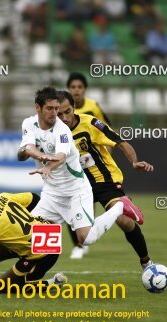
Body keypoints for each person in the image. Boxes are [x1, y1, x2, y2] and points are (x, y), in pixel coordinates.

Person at [17, 86, 143, 250]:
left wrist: (134, 161)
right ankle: (34, 273)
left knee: (93, 235)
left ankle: (121, 210)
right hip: (53, 192)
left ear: (74, 108)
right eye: (53, 109)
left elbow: (61, 157)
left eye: (61, 110)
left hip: (83, 186)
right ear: (38, 108)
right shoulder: (29, 123)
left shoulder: (65, 129)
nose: (58, 115)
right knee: (37, 241)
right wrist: (32, 153)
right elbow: (27, 149)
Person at [57, 90, 154, 265]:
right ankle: (37, 266)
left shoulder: (90, 123)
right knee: (53, 222)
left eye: (67, 112)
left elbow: (120, 142)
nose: (64, 118)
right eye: (59, 114)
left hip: (103, 181)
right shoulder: (51, 132)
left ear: (74, 108)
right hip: (76, 186)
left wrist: (134, 162)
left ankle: (146, 263)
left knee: (124, 221)